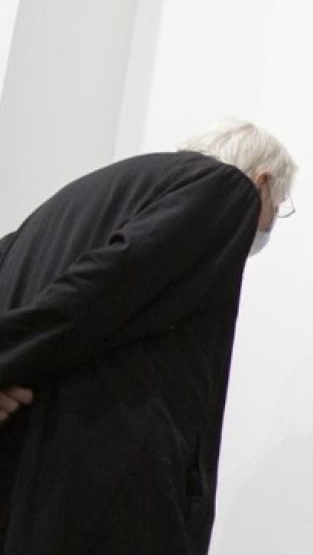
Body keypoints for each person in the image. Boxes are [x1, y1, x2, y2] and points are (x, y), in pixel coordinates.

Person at [0, 119, 297, 555]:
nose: (268, 223)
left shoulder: (65, 203)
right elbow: (104, 288)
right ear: (263, 181)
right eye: (279, 207)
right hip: (102, 481)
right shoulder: (228, 189)